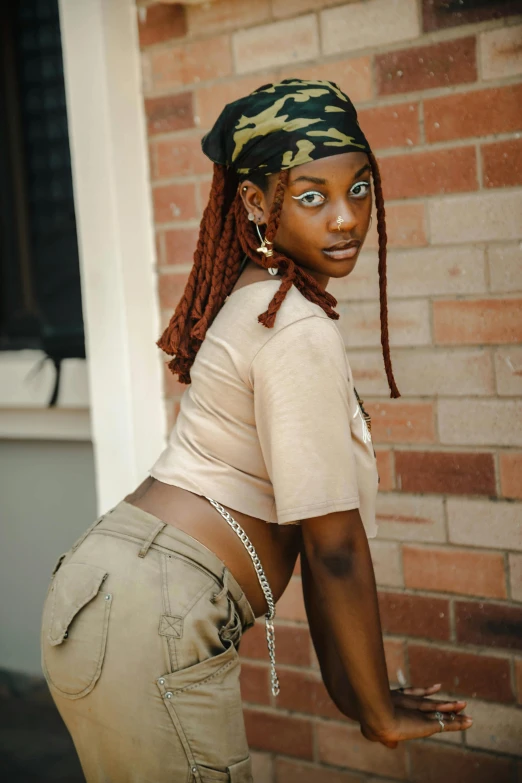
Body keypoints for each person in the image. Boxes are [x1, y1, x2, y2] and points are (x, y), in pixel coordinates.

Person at [41, 80, 472, 783]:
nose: (345, 218)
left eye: (359, 190)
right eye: (312, 196)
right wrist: (378, 711)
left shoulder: (257, 299)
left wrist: (362, 701)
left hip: (114, 593)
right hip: (151, 609)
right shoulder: (293, 326)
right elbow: (333, 551)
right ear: (254, 204)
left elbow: (317, 543)